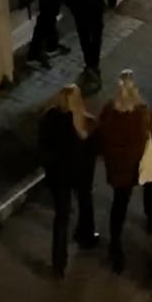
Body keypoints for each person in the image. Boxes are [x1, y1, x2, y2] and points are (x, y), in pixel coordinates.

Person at [96, 69, 152, 272]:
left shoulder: (109, 111)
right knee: (150, 185)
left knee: (119, 204)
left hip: (119, 167)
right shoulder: (142, 112)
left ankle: (115, 245)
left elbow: (100, 134)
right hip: (140, 162)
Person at [39, 84, 98, 277]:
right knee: (85, 200)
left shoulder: (48, 120)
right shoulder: (84, 122)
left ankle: (58, 263)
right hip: (79, 173)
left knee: (61, 217)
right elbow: (92, 151)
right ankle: (86, 235)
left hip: (57, 176)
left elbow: (43, 148)